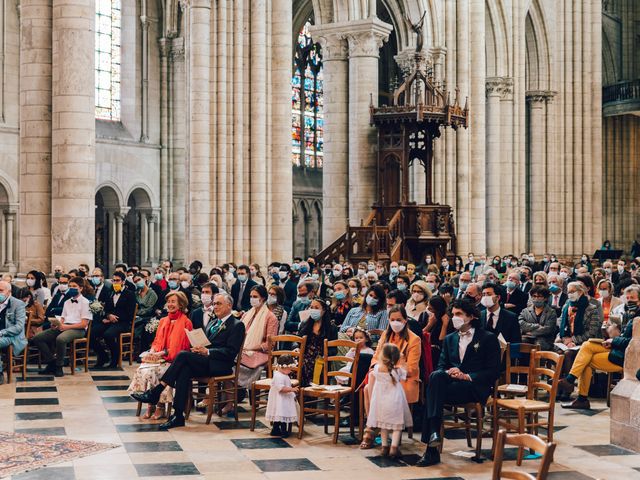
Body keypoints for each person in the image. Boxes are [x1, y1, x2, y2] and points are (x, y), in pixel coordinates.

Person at [131, 292, 246, 430]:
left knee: (182, 355)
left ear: (229, 305)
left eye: (219, 303)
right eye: (214, 303)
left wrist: (208, 351)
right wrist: (198, 348)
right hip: (205, 361)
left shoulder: (237, 324)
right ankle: (178, 415)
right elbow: (206, 342)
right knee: (183, 370)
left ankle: (156, 392)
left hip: (221, 365)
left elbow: (230, 352)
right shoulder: (214, 322)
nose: (215, 306)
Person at [417, 298, 501, 467]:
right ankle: (433, 438)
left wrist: (467, 376)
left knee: (433, 391)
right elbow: (442, 365)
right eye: (453, 314)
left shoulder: (487, 338)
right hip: (452, 385)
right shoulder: (449, 339)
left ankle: (432, 444)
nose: (454, 317)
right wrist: (450, 371)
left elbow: (493, 371)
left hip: (474, 386)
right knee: (436, 376)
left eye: (459, 314)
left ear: (470, 316)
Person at [361, 306, 421, 449]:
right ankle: (373, 426)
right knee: (370, 382)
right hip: (384, 377)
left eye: (398, 320)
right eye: (392, 320)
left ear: (405, 320)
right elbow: (375, 358)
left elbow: (411, 368)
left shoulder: (414, 339)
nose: (395, 323)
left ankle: (371, 428)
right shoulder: (385, 335)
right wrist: (381, 367)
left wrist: (390, 367)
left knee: (372, 386)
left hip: (402, 378)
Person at [128, 291, 193, 419]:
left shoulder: (187, 322)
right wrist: (153, 351)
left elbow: (183, 347)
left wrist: (163, 353)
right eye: (168, 302)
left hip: (175, 360)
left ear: (181, 304)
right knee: (144, 369)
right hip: (160, 357)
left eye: (173, 302)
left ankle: (159, 406)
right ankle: (150, 404)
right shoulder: (163, 320)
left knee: (157, 371)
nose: (170, 304)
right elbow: (157, 341)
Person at [558, 315, 636, 410]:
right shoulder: (632, 314)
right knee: (587, 345)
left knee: (586, 360)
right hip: (617, 348)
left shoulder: (638, 320)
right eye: (628, 298)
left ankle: (579, 395)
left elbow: (631, 342)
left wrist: (614, 340)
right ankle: (572, 383)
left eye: (632, 298)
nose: (629, 300)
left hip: (625, 357)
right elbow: (625, 337)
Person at [32, 277, 91, 377]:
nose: (71, 288)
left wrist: (65, 327)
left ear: (81, 288)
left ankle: (59, 366)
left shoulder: (86, 302)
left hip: (78, 329)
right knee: (37, 338)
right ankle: (51, 363)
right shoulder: (67, 302)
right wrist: (57, 324)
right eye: (70, 286)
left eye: (74, 287)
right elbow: (63, 318)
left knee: (61, 339)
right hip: (64, 326)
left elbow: (84, 324)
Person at [366, 343, 413, 459]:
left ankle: (384, 447)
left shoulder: (377, 369)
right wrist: (402, 361)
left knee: (383, 425)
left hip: (381, 402)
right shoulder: (398, 371)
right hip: (395, 402)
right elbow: (407, 374)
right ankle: (394, 448)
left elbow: (373, 374)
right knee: (397, 426)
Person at [91, 271, 137, 369]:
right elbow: (107, 309)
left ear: (123, 281)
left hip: (123, 322)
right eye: (114, 281)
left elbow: (130, 313)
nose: (115, 283)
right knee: (91, 333)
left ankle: (115, 359)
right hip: (110, 321)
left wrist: (114, 317)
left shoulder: (130, 294)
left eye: (118, 280)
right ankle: (103, 356)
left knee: (108, 335)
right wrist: (108, 316)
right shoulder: (110, 293)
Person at [555, 281, 602, 377]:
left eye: (573, 291)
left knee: (568, 354)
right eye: (568, 292)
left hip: (584, 342)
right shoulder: (567, 306)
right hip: (566, 339)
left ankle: (568, 385)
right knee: (558, 353)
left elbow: (592, 332)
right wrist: (565, 339)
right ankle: (557, 384)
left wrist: (573, 340)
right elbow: (560, 323)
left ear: (580, 292)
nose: (570, 294)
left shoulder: (591, 309)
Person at [237, 285, 279, 392]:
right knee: (229, 359)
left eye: (255, 296)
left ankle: (237, 392)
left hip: (261, 353)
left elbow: (270, 344)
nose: (252, 299)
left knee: (233, 361)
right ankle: (233, 396)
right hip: (244, 350)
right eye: (251, 296)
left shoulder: (271, 317)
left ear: (263, 298)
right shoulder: (247, 314)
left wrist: (252, 347)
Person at [298, 298, 337, 386]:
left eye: (316, 308)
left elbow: (334, 350)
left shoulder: (331, 328)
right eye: (311, 307)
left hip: (320, 358)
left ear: (323, 311)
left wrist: (325, 354)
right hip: (305, 355)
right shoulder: (305, 324)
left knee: (305, 365)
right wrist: (296, 348)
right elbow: (297, 340)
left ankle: (307, 392)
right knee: (293, 364)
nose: (313, 310)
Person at [266, 354, 299, 437]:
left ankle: (275, 430)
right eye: (290, 368)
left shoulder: (284, 375)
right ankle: (284, 431)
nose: (291, 370)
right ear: (283, 367)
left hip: (284, 399)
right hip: (279, 400)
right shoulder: (278, 376)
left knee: (281, 416)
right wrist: (292, 389)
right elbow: (281, 389)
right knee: (282, 415)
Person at [0, 281, 27, 383]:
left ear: (9, 292)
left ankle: (0, 374)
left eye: (1, 291)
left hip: (12, 336)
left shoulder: (18, 304)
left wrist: (2, 332)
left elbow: (19, 327)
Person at [518, 285, 557, 350]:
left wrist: (532, 333)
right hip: (527, 337)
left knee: (539, 344)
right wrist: (536, 326)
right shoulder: (525, 311)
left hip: (544, 339)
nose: (536, 299)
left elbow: (548, 329)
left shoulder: (551, 312)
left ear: (545, 298)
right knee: (521, 342)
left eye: (539, 296)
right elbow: (521, 323)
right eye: (534, 296)